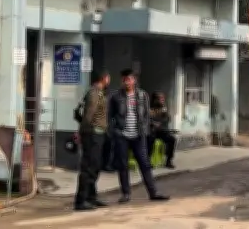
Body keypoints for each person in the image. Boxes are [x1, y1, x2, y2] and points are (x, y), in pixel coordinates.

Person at [108, 69, 170, 203]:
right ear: (122, 81)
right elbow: (110, 116)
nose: (127, 82)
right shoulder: (116, 97)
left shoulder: (142, 96)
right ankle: (126, 194)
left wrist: (146, 130)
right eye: (125, 80)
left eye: (129, 79)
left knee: (144, 164)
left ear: (134, 80)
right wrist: (114, 131)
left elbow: (147, 115)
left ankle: (154, 192)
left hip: (139, 135)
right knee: (123, 165)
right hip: (122, 135)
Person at [74, 71, 111, 211]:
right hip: (92, 134)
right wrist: (82, 132)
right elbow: (88, 115)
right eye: (108, 78)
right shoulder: (94, 93)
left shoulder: (99, 93)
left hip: (98, 134)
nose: (109, 80)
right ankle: (81, 200)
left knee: (95, 167)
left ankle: (91, 197)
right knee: (88, 167)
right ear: (103, 78)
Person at [148, 92, 176, 169]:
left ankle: (168, 161)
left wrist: (164, 116)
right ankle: (148, 161)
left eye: (163, 98)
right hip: (152, 131)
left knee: (172, 139)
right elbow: (146, 119)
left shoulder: (163, 108)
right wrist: (153, 123)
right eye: (160, 98)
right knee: (150, 139)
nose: (162, 100)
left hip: (161, 131)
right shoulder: (150, 108)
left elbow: (167, 119)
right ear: (155, 99)